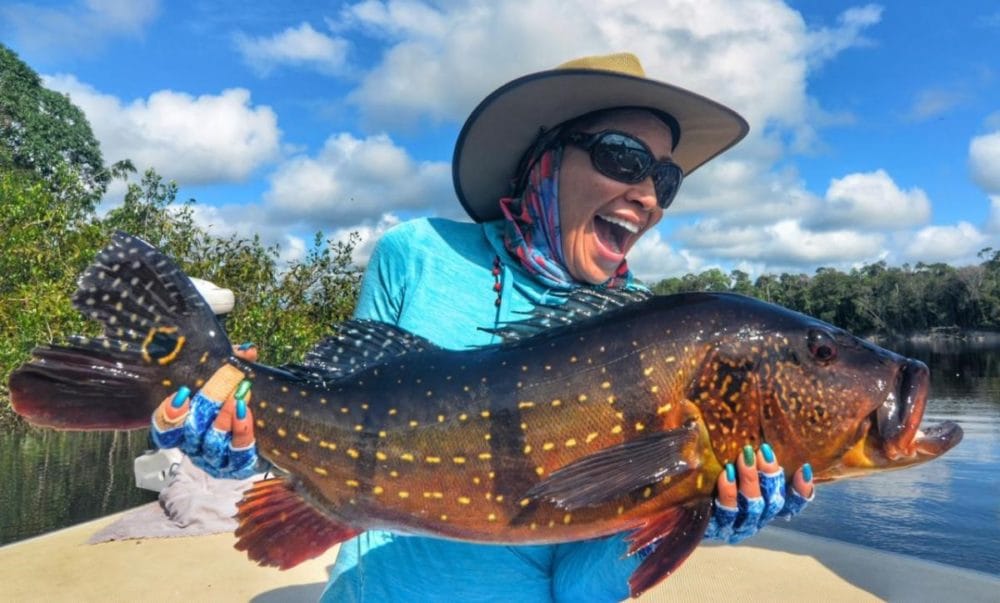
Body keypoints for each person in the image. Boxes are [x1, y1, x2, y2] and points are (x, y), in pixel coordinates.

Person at [151, 53, 815, 601]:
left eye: (666, 178)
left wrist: (691, 513)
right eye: (623, 158)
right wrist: (246, 439)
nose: (649, 195)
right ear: (542, 160)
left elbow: (582, 587)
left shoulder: (655, 335)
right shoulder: (415, 253)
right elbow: (334, 401)